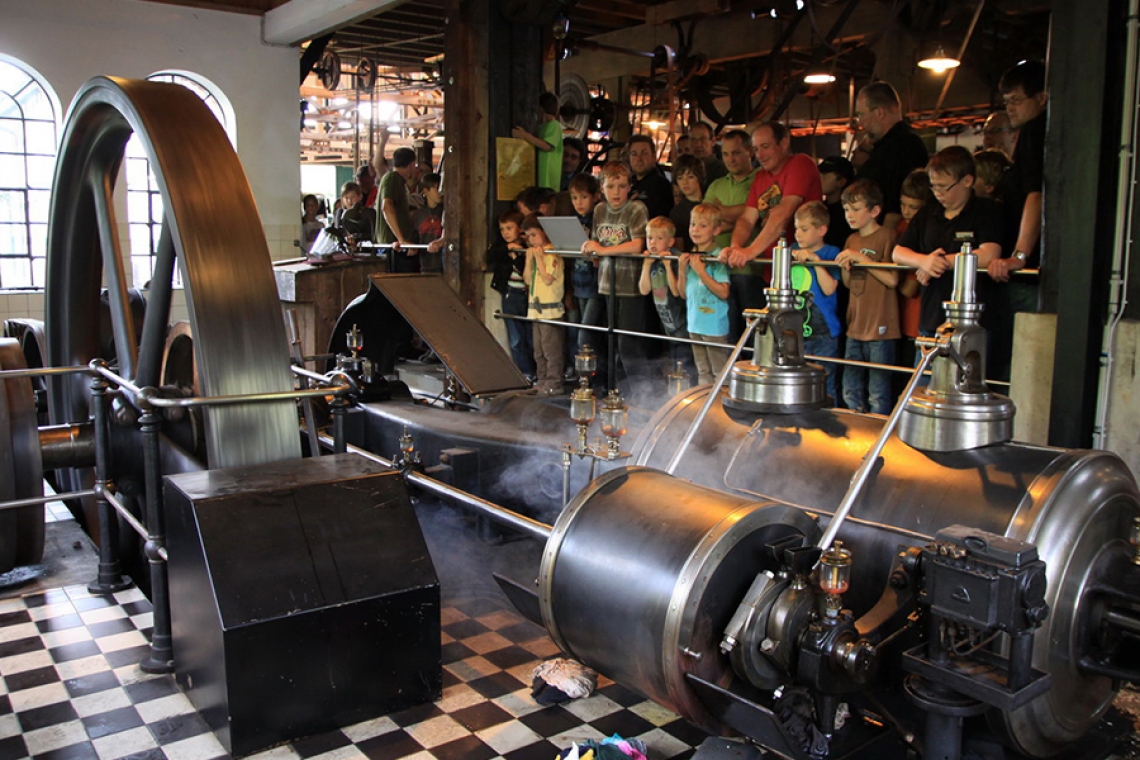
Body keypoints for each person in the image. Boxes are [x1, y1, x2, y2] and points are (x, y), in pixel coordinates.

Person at [722, 121, 823, 337]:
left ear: (784, 143)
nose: (760, 154)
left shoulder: (800, 164)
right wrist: (736, 247)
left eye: (765, 146)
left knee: (800, 340)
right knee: (773, 340)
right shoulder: (760, 177)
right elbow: (747, 219)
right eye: (756, 149)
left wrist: (749, 252)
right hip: (772, 273)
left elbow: (783, 213)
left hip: (803, 275)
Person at [892, 147, 1004, 342]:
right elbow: (898, 252)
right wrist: (923, 261)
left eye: (943, 187)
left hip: (972, 323)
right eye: (933, 186)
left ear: (967, 181)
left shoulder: (987, 211)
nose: (937, 193)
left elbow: (989, 254)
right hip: (931, 317)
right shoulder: (927, 213)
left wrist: (942, 263)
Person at [581, 161, 648, 395]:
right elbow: (598, 242)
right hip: (606, 281)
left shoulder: (636, 209)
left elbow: (638, 244)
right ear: (602, 188)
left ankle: (640, 393)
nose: (616, 192)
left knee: (629, 344)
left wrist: (603, 250)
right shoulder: (599, 210)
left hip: (630, 283)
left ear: (629, 187)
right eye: (611, 186)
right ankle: (615, 391)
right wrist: (592, 251)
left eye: (621, 186)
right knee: (609, 341)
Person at [837, 179, 899, 415]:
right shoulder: (851, 240)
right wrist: (846, 263)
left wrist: (861, 258)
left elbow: (893, 279)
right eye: (845, 210)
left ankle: (878, 437)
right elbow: (847, 282)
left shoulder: (886, 235)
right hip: (855, 323)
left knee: (878, 391)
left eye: (855, 209)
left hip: (881, 324)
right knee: (850, 389)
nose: (849, 215)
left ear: (874, 210)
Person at [703, 128, 759, 339]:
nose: (730, 159)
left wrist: (724, 212)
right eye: (725, 154)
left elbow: (756, 214)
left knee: (752, 331)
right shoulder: (717, 184)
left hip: (750, 269)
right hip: (718, 267)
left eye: (735, 153)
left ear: (750, 152)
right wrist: (740, 214)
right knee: (725, 329)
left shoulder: (761, 180)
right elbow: (705, 219)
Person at [854, 81, 929, 230]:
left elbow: (897, 197)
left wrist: (885, 238)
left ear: (879, 113)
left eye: (861, 114)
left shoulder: (906, 144)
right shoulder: (884, 146)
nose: (861, 122)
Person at [789, 201, 841, 403]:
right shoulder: (792, 250)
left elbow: (829, 288)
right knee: (798, 382)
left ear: (821, 230)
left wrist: (814, 260)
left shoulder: (831, 252)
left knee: (825, 383)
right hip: (796, 330)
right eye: (796, 229)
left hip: (824, 332)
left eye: (804, 229)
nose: (798, 234)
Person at [678, 203, 731, 385]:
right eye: (693, 224)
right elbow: (682, 294)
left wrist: (701, 271)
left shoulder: (718, 257)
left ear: (716, 230)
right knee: (702, 371)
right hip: (695, 323)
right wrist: (681, 269)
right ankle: (705, 409)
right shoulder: (692, 255)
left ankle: (719, 409)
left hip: (713, 325)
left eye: (702, 225)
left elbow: (724, 292)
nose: (696, 230)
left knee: (719, 372)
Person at [639, 217, 693, 384]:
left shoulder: (676, 259)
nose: (653, 242)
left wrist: (668, 266)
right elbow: (644, 289)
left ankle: (686, 396)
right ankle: (676, 394)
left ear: (670, 241)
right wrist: (646, 265)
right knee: (674, 361)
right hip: (667, 323)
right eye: (649, 238)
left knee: (685, 364)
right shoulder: (652, 259)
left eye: (659, 238)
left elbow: (676, 292)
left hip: (682, 323)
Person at [567, 174, 606, 387]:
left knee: (586, 334)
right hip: (578, 281)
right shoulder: (574, 222)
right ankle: (585, 378)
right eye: (574, 198)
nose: (578, 203)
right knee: (579, 332)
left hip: (595, 284)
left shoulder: (598, 219)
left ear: (595, 197)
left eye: (583, 197)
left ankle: (593, 380)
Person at [489, 210, 536, 382]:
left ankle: (536, 370)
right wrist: (508, 248)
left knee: (531, 335)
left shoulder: (528, 248)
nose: (505, 233)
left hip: (527, 293)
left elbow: (526, 269)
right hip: (510, 293)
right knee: (516, 337)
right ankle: (524, 372)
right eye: (502, 229)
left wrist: (516, 255)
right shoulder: (501, 248)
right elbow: (491, 255)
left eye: (509, 228)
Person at [522, 213, 566, 395]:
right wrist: (528, 260)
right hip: (535, 310)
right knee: (538, 350)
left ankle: (555, 382)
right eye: (528, 236)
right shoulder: (535, 253)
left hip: (550, 311)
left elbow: (548, 279)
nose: (532, 239)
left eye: (534, 234)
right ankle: (542, 380)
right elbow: (527, 279)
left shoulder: (552, 253)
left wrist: (539, 258)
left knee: (551, 349)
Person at [896, 169, 933, 374]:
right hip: (899, 319)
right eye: (903, 204)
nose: (907, 211)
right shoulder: (901, 226)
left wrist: (890, 280)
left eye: (913, 207)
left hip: (916, 318)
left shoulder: (924, 233)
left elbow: (910, 288)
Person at [512, 91, 564, 192]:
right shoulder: (541, 127)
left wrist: (524, 135)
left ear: (540, 109)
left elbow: (547, 146)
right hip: (538, 177)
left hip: (548, 180)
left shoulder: (554, 125)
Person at [378, 147, 418, 272]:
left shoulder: (399, 182)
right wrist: (402, 239)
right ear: (411, 164)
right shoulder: (392, 178)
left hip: (397, 246)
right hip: (394, 247)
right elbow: (387, 206)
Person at [628, 134, 674, 219]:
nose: (639, 159)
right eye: (634, 154)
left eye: (644, 153)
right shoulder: (627, 183)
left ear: (654, 156)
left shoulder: (661, 185)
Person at [670, 155, 706, 252]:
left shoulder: (711, 200)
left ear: (699, 177)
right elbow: (679, 249)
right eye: (680, 178)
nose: (685, 182)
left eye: (690, 177)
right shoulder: (677, 213)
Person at [818, 156, 855, 249]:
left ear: (841, 181)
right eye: (819, 174)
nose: (820, 178)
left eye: (825, 176)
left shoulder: (849, 213)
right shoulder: (820, 207)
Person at [413, 172, 445, 273]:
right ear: (426, 191)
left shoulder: (446, 211)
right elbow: (413, 237)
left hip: (443, 266)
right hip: (425, 265)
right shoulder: (418, 214)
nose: (440, 192)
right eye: (436, 188)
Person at [333, 181, 376, 248]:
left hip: (365, 251)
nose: (349, 200)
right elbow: (336, 232)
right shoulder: (339, 213)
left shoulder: (369, 213)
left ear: (360, 196)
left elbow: (373, 234)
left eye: (352, 197)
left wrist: (356, 237)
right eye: (346, 198)